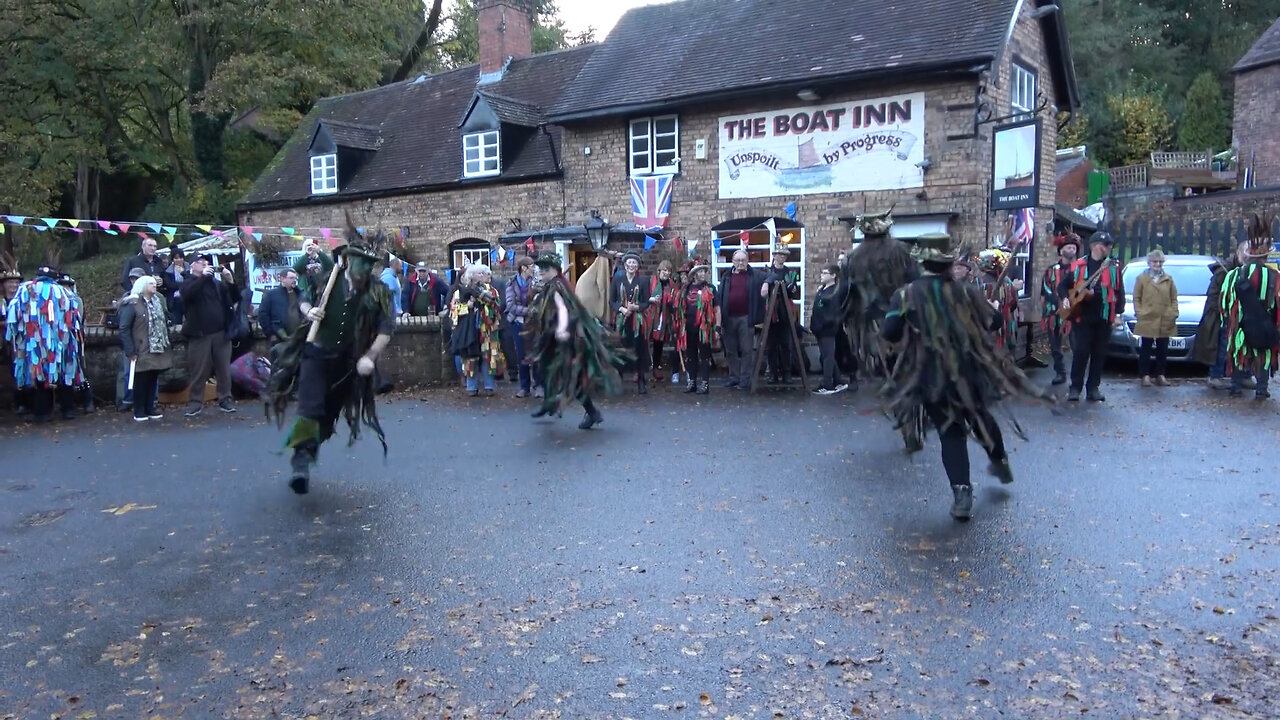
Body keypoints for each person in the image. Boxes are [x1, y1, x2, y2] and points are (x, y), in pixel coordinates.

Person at [880, 233, 1051, 521]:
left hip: (931, 374)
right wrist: (992, 311)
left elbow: (890, 332)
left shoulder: (905, 294)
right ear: (947, 263)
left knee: (951, 432)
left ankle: (962, 494)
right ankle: (999, 460)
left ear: (922, 262)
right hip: (969, 369)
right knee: (982, 417)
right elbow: (994, 322)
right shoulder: (966, 292)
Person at [267, 226, 395, 495]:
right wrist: (309, 310)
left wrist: (370, 357)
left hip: (346, 363)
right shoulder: (328, 279)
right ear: (349, 260)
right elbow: (303, 298)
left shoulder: (378, 291)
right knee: (310, 409)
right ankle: (300, 463)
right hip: (316, 353)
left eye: (369, 265)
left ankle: (309, 447)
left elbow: (386, 328)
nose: (364, 269)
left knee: (326, 419)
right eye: (360, 262)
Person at [527, 252, 630, 429]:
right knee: (551, 371)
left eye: (545, 268)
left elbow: (563, 308)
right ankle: (555, 405)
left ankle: (588, 412)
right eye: (540, 268)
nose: (541, 271)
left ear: (554, 270)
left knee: (568, 377)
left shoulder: (557, 286)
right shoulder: (553, 284)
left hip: (564, 340)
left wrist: (561, 329)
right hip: (553, 339)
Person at [5, 253, 84, 423]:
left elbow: (14, 315)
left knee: (40, 375)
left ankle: (42, 412)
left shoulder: (25, 291)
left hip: (34, 343)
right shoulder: (65, 293)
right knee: (65, 374)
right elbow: (74, 318)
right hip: (62, 343)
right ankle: (67, 410)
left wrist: (18, 336)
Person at [842, 208, 919, 381]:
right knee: (902, 368)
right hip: (901, 318)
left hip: (869, 324)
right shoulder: (903, 251)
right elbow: (915, 282)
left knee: (886, 370)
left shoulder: (852, 258)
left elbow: (845, 294)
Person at [1058, 232, 1125, 402]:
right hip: (1082, 316)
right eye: (1105, 245)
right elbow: (1063, 286)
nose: (1108, 248)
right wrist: (1066, 298)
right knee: (1081, 352)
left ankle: (1093, 388)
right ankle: (1075, 388)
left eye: (1110, 245)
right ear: (1095, 245)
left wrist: (1118, 313)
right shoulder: (1079, 265)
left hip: (1104, 316)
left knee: (1099, 354)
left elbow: (1119, 291)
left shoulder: (1113, 267)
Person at [1220, 214, 1280, 400]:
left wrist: (1228, 321)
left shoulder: (1235, 274)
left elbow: (1224, 300)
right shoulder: (1274, 276)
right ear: (1266, 256)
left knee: (1239, 352)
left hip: (1240, 323)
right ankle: (1261, 389)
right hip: (1265, 322)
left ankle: (1236, 387)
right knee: (1263, 353)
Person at [179, 254, 239, 416]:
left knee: (224, 369)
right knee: (199, 370)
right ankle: (196, 402)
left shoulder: (217, 284)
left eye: (207, 263)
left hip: (220, 333)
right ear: (193, 266)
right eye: (202, 263)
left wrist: (230, 281)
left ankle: (225, 399)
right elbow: (188, 295)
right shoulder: (188, 281)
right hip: (200, 334)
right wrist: (203, 277)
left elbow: (234, 298)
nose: (206, 265)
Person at [117, 275, 173, 422]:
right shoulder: (132, 303)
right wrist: (130, 350)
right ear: (142, 285)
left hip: (156, 347)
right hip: (140, 348)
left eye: (155, 283)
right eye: (151, 283)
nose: (155, 286)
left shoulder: (157, 302)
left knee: (152, 378)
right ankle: (139, 410)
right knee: (141, 379)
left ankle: (150, 408)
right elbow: (124, 328)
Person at [449, 263, 505, 396]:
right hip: (469, 330)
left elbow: (497, 307)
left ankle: (489, 385)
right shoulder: (459, 292)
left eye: (483, 273)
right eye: (479, 273)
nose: (482, 275)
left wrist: (487, 302)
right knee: (469, 357)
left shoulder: (492, 291)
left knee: (488, 356)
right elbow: (453, 311)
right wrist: (467, 306)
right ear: (471, 276)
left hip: (487, 329)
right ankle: (471, 387)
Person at [715, 249, 764, 388]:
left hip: (746, 318)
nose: (741, 263)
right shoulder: (726, 276)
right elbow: (720, 296)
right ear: (733, 262)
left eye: (743, 260)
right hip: (728, 317)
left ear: (747, 261)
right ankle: (734, 377)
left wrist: (766, 284)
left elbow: (772, 276)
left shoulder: (755, 275)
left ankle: (745, 379)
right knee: (730, 350)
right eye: (738, 260)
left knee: (746, 350)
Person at [1132, 248, 1179, 387]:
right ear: (1149, 263)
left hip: (1165, 318)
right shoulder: (1142, 278)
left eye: (1160, 262)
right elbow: (1137, 297)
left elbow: (1174, 298)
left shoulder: (1168, 279)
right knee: (1145, 348)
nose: (1157, 264)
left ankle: (1160, 375)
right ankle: (1145, 376)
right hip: (1147, 318)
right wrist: (1140, 312)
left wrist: (1173, 312)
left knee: (1163, 349)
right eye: (1154, 262)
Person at [1040, 233, 1080, 385]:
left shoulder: (1079, 269)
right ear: (1061, 250)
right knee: (1055, 346)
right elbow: (1045, 289)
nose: (1071, 250)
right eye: (1068, 247)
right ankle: (1060, 373)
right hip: (1053, 312)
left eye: (1074, 247)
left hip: (1074, 312)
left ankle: (1077, 377)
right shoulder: (1051, 270)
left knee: (1076, 346)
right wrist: (1058, 303)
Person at [610, 251, 652, 394]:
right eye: (629, 262)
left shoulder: (643, 281)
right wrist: (621, 309)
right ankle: (619, 380)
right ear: (625, 264)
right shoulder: (617, 279)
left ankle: (641, 380)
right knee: (621, 350)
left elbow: (646, 302)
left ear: (637, 266)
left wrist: (636, 307)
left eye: (634, 263)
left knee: (639, 350)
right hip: (622, 320)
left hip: (637, 321)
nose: (632, 265)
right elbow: (612, 300)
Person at [761, 243, 801, 384]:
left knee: (786, 344)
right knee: (771, 345)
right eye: (780, 254)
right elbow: (763, 293)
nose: (782, 257)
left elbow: (793, 292)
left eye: (784, 254)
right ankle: (773, 373)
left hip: (785, 310)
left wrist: (793, 288)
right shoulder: (767, 271)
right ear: (774, 255)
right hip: (771, 311)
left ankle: (787, 373)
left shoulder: (790, 272)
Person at [809, 264, 850, 395]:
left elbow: (832, 314)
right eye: (822, 272)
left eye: (825, 273)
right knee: (827, 356)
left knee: (827, 357)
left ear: (833, 275)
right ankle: (838, 381)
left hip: (827, 330)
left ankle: (828, 385)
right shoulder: (822, 289)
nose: (822, 275)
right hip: (819, 329)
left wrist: (822, 326)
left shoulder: (834, 292)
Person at [1194, 254, 1234, 389]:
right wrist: (1224, 311)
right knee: (1220, 345)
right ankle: (1216, 375)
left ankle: (1239, 375)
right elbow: (1214, 295)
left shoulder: (1237, 270)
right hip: (1223, 316)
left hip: (1234, 315)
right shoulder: (1223, 273)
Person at [679, 259, 716, 395]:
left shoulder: (710, 288)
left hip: (704, 328)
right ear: (694, 274)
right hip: (688, 327)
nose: (703, 274)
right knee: (691, 355)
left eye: (704, 271)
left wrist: (717, 327)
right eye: (700, 271)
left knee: (705, 355)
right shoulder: (686, 289)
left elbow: (716, 309)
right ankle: (692, 382)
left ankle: (705, 384)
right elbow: (680, 307)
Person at [975, 249, 1021, 355]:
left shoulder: (978, 282)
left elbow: (1013, 303)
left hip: (992, 325)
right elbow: (1014, 303)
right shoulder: (1006, 282)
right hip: (1001, 323)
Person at [645, 260, 682, 384]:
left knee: (658, 342)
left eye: (669, 271)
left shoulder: (671, 285)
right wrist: (651, 299)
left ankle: (656, 367)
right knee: (644, 341)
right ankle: (639, 369)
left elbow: (674, 299)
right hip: (650, 315)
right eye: (664, 270)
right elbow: (644, 296)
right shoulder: (651, 281)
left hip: (664, 316)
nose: (667, 273)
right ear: (659, 270)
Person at [505, 256, 537, 397]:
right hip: (518, 322)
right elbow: (510, 306)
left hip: (534, 323)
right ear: (523, 268)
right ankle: (525, 387)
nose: (533, 268)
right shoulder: (511, 283)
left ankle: (539, 385)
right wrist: (528, 311)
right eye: (531, 266)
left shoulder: (535, 282)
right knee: (521, 355)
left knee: (536, 353)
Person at [258, 269, 303, 349]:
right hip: (279, 337)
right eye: (291, 278)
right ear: (282, 279)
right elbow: (263, 315)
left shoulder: (299, 293)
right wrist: (271, 335)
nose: (294, 280)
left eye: (295, 278)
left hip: (298, 337)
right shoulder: (271, 295)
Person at [293, 239, 335, 304]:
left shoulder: (321, 258)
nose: (311, 247)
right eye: (308, 245)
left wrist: (319, 252)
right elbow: (296, 268)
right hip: (307, 289)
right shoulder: (302, 259)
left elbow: (330, 266)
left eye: (312, 245)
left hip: (320, 289)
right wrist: (307, 254)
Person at [162, 248, 188, 325]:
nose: (178, 260)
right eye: (176, 258)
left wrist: (183, 273)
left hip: (188, 298)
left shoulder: (189, 268)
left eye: (180, 258)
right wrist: (184, 284)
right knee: (176, 323)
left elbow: (192, 281)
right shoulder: (168, 271)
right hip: (175, 300)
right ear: (172, 259)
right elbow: (169, 285)